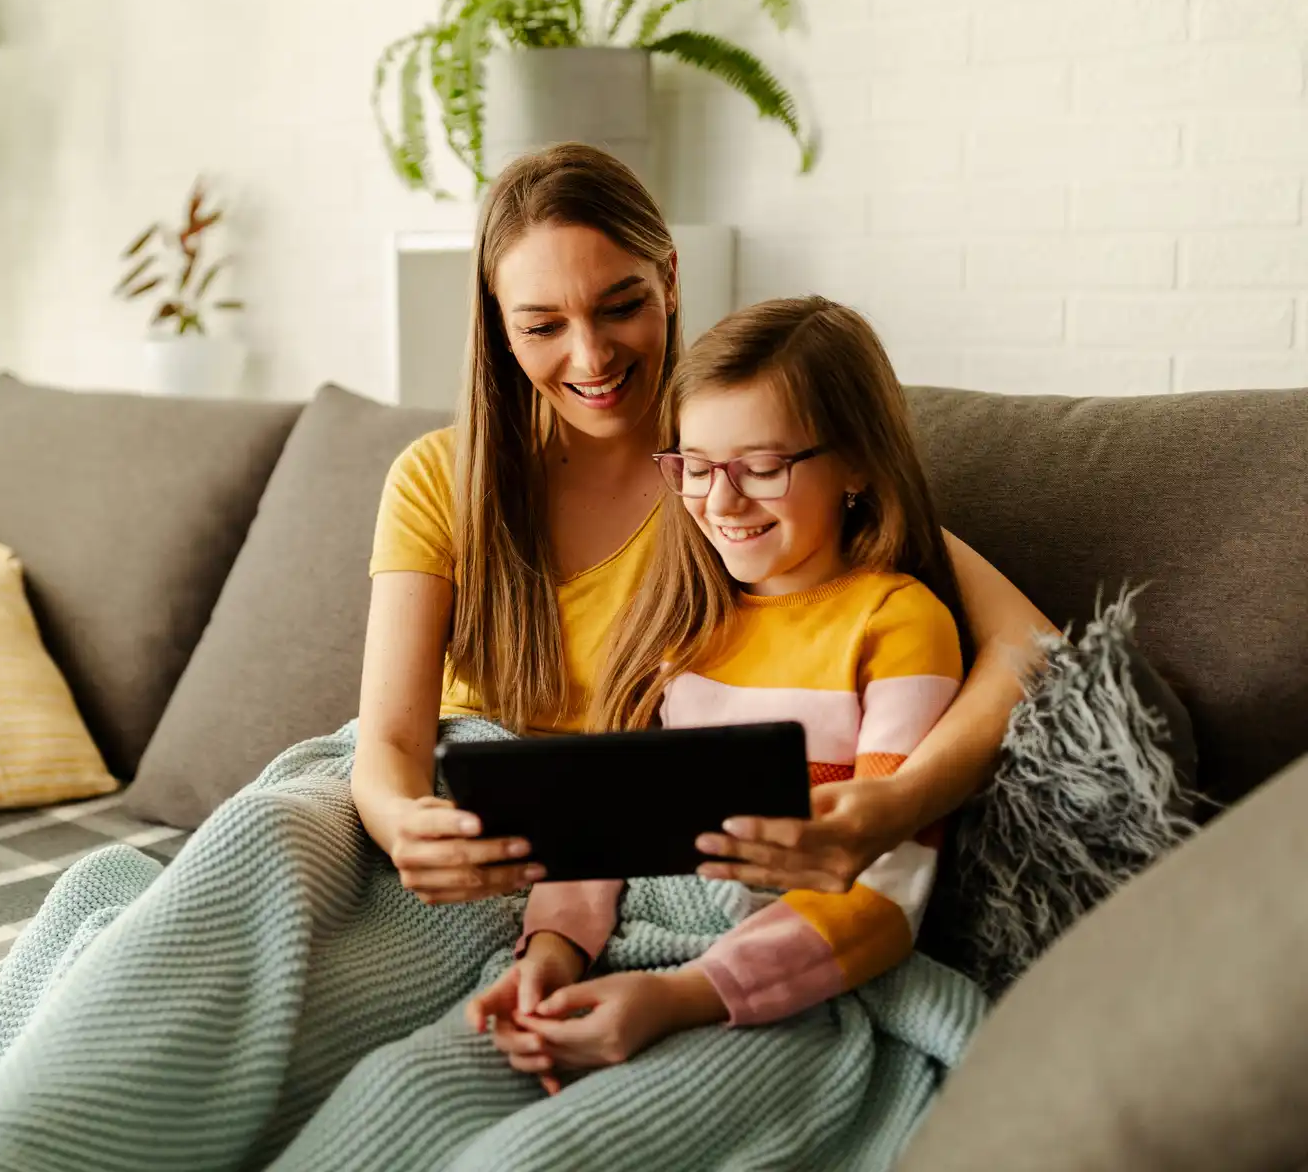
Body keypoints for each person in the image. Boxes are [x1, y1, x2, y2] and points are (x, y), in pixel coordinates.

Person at [267, 296, 975, 1166]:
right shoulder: (685, 618)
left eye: (760, 466)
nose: (721, 502)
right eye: (696, 467)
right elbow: (602, 831)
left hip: (768, 977)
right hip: (622, 950)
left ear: (858, 465)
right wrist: (553, 952)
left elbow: (886, 889)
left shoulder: (898, 625)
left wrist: (676, 998)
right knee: (400, 1094)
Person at [354, 143, 1048, 911]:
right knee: (269, 829)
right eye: (544, 325)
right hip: (453, 811)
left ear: (672, 281)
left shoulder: (735, 486)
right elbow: (386, 744)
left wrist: (897, 803)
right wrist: (403, 826)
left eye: (621, 306)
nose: (591, 356)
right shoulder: (436, 479)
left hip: (616, 850)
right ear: (499, 327)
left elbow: (1030, 645)